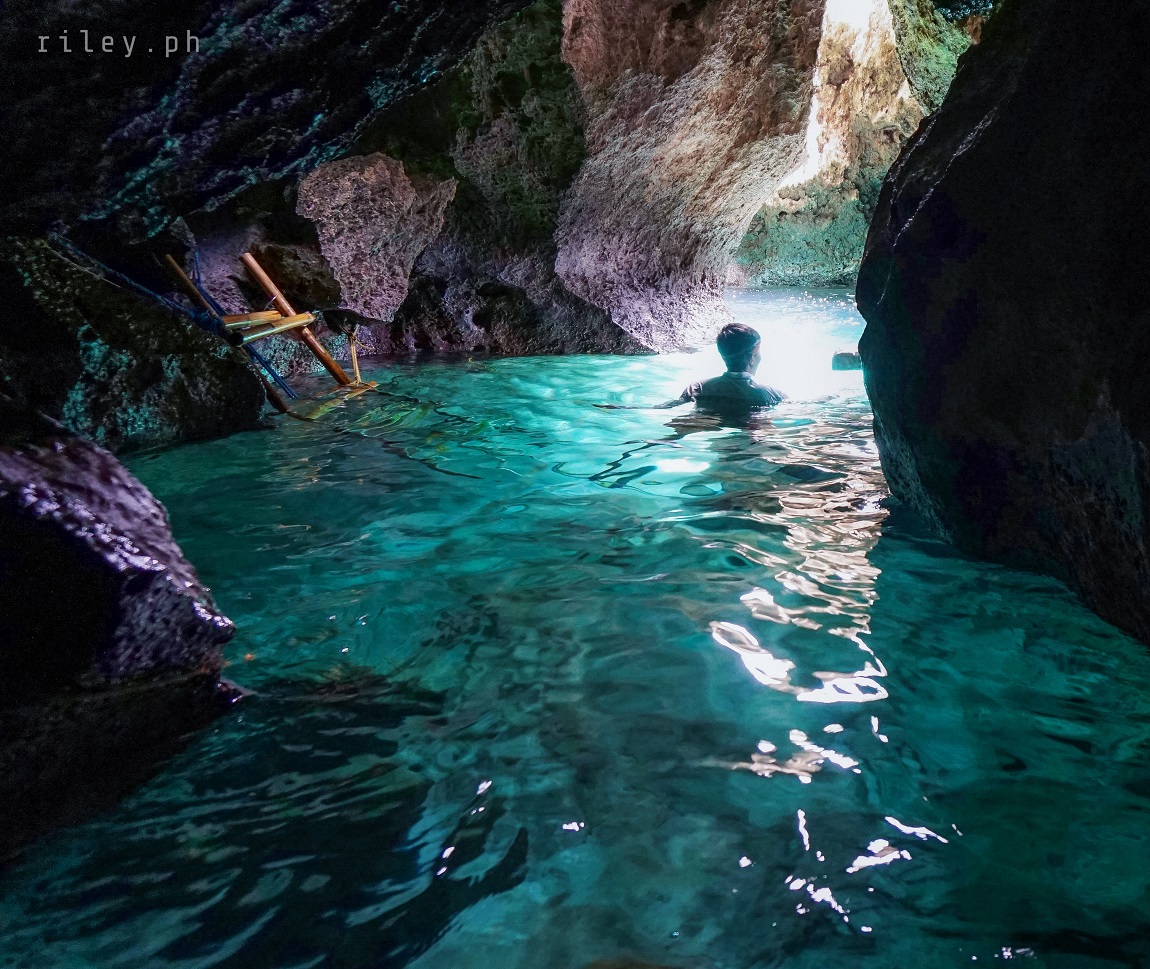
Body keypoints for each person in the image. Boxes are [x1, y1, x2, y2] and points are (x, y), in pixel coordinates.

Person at [672, 322, 785, 410]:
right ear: (754, 354)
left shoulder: (697, 388)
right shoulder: (770, 394)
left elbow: (672, 405)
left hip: (706, 420)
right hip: (751, 425)